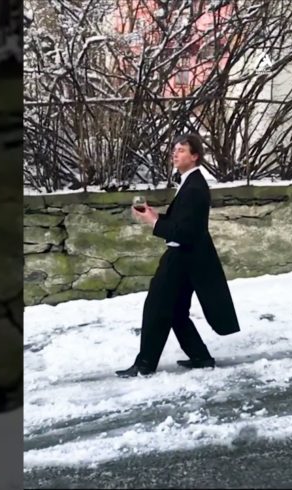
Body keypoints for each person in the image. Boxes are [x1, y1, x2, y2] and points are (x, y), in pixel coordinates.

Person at [116, 133, 240, 377]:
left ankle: (144, 365)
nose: (175, 153)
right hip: (187, 256)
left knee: (156, 307)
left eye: (181, 150)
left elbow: (186, 232)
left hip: (182, 258)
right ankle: (200, 357)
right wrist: (156, 217)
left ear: (195, 157)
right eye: (174, 149)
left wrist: (153, 222)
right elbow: (182, 224)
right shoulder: (189, 183)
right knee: (175, 310)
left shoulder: (194, 187)